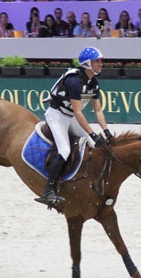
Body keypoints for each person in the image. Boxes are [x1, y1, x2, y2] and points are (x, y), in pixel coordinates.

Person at [35, 46, 113, 206]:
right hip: (57, 115)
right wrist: (92, 133)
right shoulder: (74, 81)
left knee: (92, 146)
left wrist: (106, 131)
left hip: (70, 116)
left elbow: (98, 110)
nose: (101, 64)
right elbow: (78, 112)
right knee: (64, 150)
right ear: (87, 64)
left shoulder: (93, 82)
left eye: (100, 61)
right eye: (97, 61)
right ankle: (49, 191)